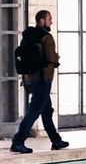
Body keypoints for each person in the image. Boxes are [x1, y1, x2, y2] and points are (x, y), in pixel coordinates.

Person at [11, 9, 69, 154]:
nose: (51, 21)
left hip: (29, 80)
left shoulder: (27, 36)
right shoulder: (46, 37)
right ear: (41, 21)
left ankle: (56, 140)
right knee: (34, 112)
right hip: (43, 81)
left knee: (46, 110)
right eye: (49, 19)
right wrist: (57, 58)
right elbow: (51, 59)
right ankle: (18, 141)